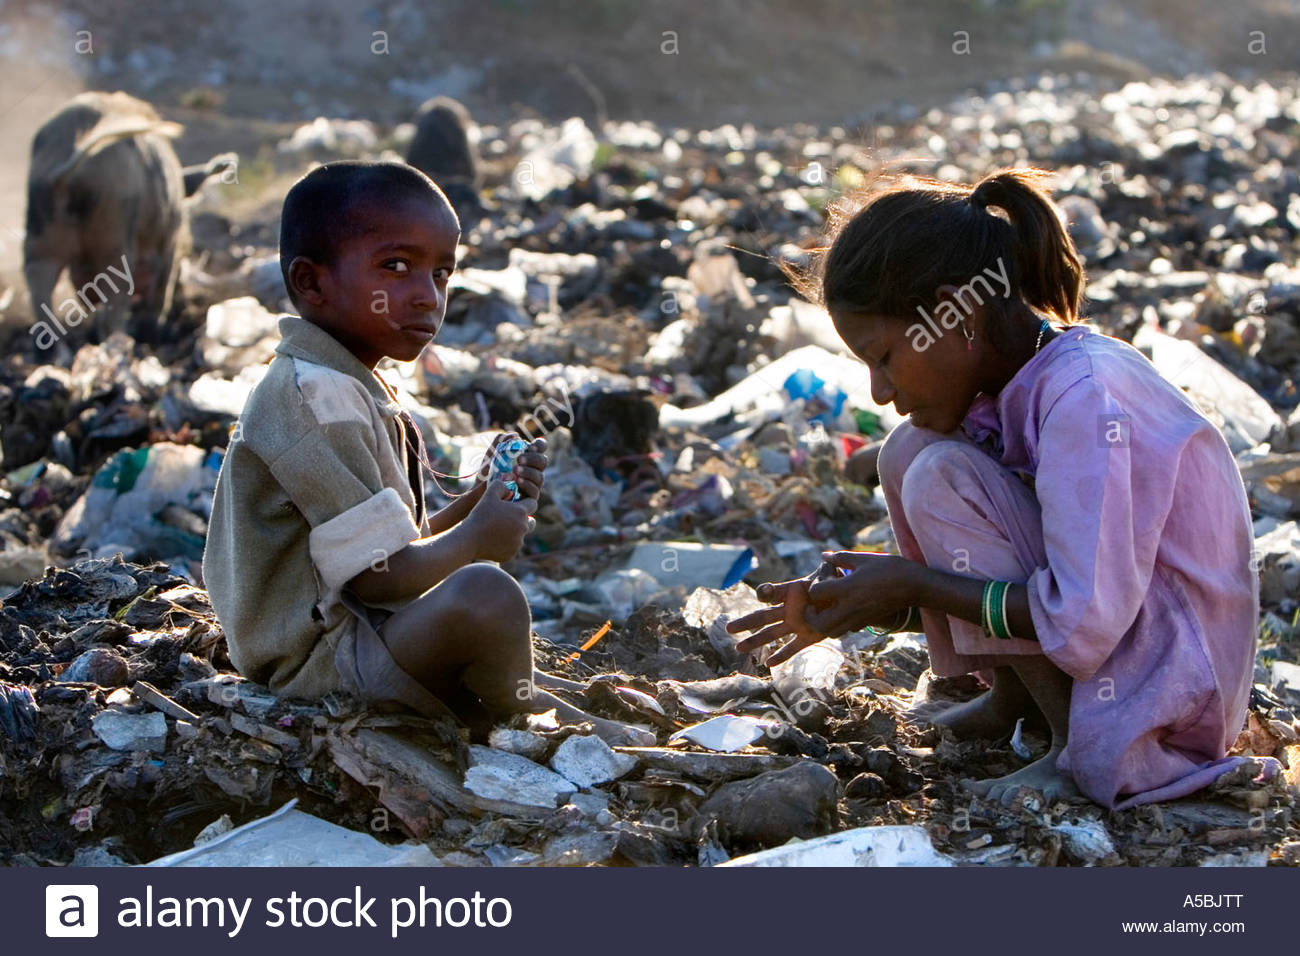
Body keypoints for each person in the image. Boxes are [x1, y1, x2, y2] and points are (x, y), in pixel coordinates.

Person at [729, 167, 1260, 809]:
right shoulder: (1018, 388)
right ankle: (1018, 702)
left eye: (885, 357)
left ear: (961, 314)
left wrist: (916, 584)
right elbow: (1026, 568)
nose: (879, 392)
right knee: (910, 449)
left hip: (1172, 687)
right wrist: (876, 602)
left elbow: (1083, 622)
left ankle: (1076, 748)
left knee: (936, 471)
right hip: (1124, 636)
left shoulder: (1085, 400)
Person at [203, 160, 650, 745]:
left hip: (358, 637)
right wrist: (478, 540)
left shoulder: (346, 382)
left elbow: (396, 552)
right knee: (485, 592)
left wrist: (475, 503)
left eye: (442, 273)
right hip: (319, 668)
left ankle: (514, 697)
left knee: (477, 588)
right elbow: (376, 580)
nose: (425, 297)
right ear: (311, 282)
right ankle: (518, 713)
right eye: (396, 266)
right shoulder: (318, 397)